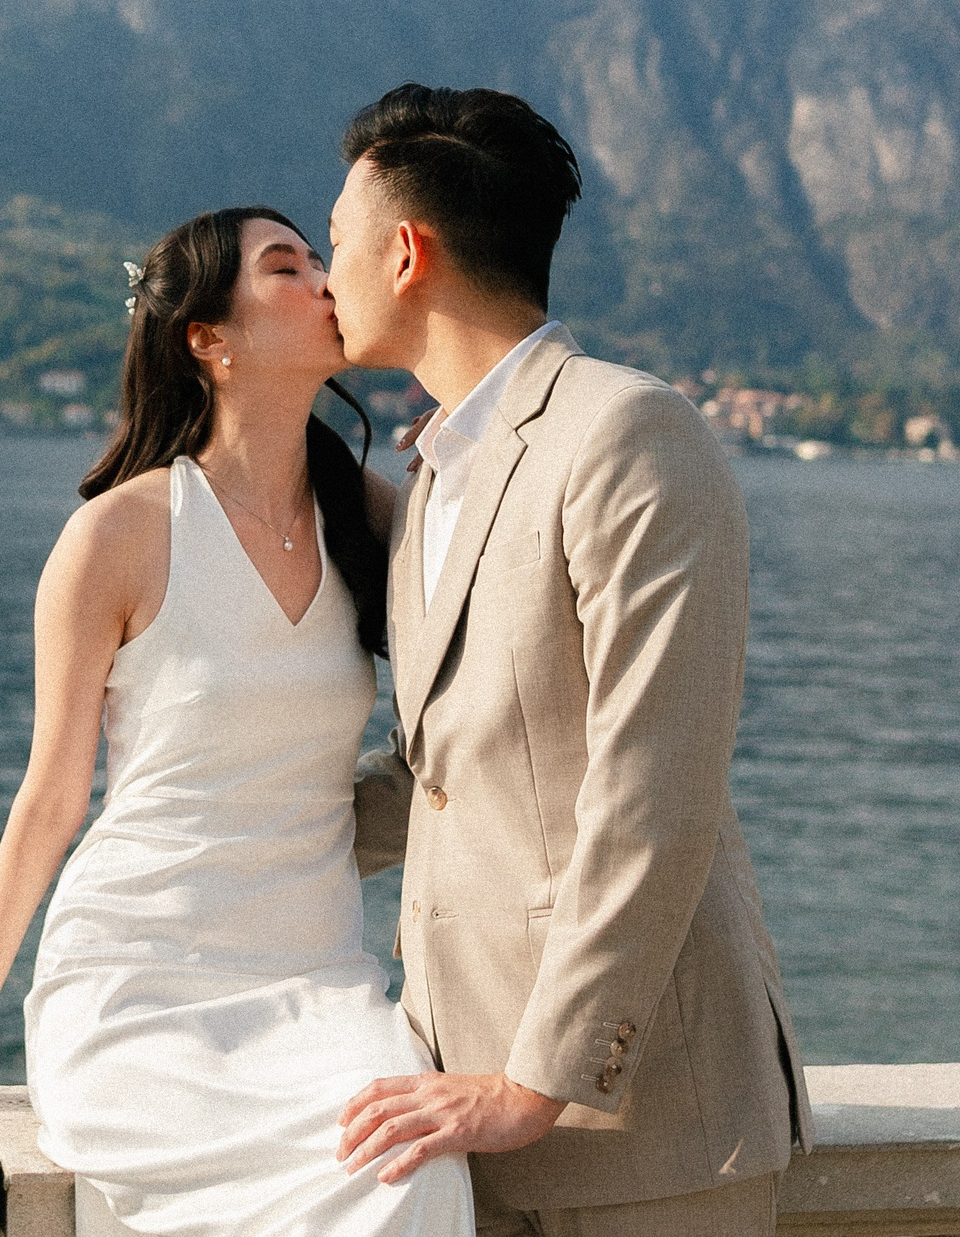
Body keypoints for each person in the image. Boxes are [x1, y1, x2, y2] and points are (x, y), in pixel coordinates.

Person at [0, 206, 476, 1237]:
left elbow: (489, 657)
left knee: (412, 1177)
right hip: (137, 982)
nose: (324, 280)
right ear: (208, 339)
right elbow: (50, 797)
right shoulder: (117, 536)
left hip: (319, 985)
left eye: (319, 259)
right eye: (285, 267)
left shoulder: (372, 515)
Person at [322, 85, 813, 1237]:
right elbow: (439, 774)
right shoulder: (436, 473)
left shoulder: (627, 434)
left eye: (336, 241)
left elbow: (656, 790)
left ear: (405, 254)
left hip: (647, 1133)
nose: (325, 274)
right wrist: (218, 846)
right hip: (458, 1112)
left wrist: (533, 1083)